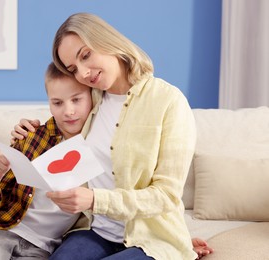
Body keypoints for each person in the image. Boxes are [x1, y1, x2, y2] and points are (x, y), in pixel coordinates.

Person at [12, 12, 207, 259]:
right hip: (96, 231)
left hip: (150, 240)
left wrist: (95, 200)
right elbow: (59, 129)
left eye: (86, 55)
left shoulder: (168, 101)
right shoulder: (90, 99)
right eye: (73, 68)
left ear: (107, 41)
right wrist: (26, 129)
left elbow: (166, 195)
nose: (83, 73)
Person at [0, 62, 93, 260]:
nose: (68, 111)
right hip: (0, 229)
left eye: (76, 99)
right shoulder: (33, 138)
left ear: (92, 97)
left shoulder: (100, 146)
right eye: (57, 103)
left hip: (42, 248)